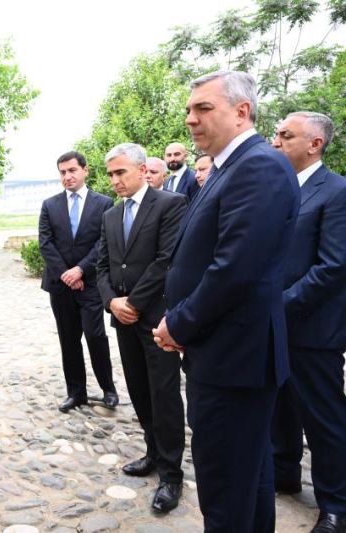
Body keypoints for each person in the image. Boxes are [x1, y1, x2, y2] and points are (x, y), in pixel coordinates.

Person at [152, 70, 299, 531]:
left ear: (242, 111)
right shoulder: (226, 168)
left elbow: (235, 268)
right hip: (224, 352)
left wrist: (179, 323)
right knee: (247, 478)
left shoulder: (258, 166)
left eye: (203, 108)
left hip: (235, 357)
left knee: (225, 488)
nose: (190, 119)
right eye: (189, 109)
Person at [98, 143, 188, 513]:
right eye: (111, 174)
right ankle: (152, 451)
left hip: (156, 319)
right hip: (123, 319)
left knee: (164, 393)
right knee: (138, 388)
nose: (115, 180)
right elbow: (102, 266)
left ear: (141, 169)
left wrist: (133, 303)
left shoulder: (170, 204)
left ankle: (171, 474)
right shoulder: (110, 215)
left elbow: (166, 261)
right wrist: (112, 302)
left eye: (120, 172)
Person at [270, 111, 346, 533]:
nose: (275, 141)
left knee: (323, 419)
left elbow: (333, 266)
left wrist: (277, 305)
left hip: (313, 329)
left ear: (315, 144)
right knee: (278, 408)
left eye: (286, 135)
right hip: (272, 325)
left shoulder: (336, 192)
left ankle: (335, 504)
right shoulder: (279, 188)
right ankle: (284, 473)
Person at [39, 151, 118, 412]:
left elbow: (104, 242)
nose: (67, 176)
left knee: (96, 336)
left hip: (91, 283)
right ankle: (76, 393)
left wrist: (81, 270)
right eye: (62, 172)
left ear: (85, 170)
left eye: (72, 170)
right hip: (60, 285)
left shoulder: (104, 203)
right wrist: (67, 274)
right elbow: (46, 243)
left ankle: (108, 389)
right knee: (68, 340)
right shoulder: (49, 205)